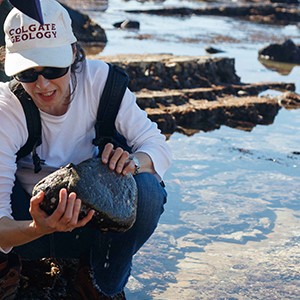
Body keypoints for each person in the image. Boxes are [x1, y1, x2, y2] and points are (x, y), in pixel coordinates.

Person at [0, 0, 171, 299]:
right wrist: (36, 227)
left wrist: (131, 161)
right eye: (27, 73)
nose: (42, 84)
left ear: (74, 54)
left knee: (149, 190)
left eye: (53, 68)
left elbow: (156, 146)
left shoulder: (102, 83)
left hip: (93, 222)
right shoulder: (7, 107)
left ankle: (98, 277)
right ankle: (8, 266)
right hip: (28, 222)